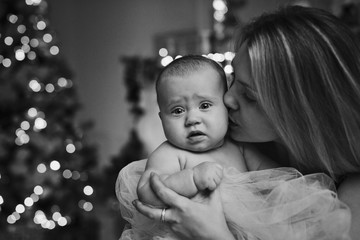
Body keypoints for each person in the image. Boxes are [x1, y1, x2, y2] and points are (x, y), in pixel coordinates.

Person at [127, 5, 360, 240]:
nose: (227, 99)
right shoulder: (227, 144)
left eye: (249, 96)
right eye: (233, 79)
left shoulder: (348, 199)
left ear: (299, 111)